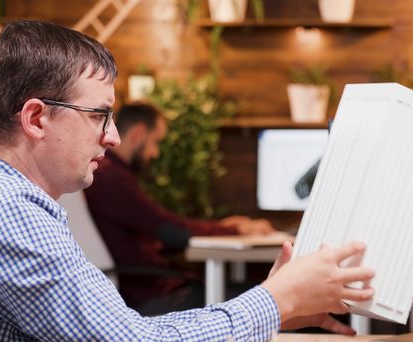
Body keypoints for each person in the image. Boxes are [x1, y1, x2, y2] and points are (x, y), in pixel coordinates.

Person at [0, 20, 375, 342]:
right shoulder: (5, 211)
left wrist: (278, 308)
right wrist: (276, 299)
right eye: (99, 115)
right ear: (35, 119)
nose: (113, 136)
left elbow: (128, 334)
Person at [84, 102, 277, 314]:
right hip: (155, 298)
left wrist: (222, 227)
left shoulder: (112, 175)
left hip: (157, 291)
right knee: (267, 298)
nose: (155, 153)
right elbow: (169, 230)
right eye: (155, 142)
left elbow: (160, 228)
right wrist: (234, 230)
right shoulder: (110, 178)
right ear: (138, 133)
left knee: (257, 293)